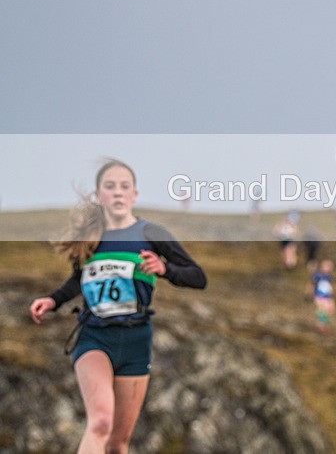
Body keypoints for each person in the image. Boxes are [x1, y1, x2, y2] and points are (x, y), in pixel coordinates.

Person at [29, 159, 207, 454]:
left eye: (124, 186)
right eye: (110, 186)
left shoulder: (152, 234)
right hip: (94, 337)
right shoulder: (91, 238)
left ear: (134, 194)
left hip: (136, 341)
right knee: (100, 422)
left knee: (117, 444)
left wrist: (164, 269)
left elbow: (198, 278)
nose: (118, 192)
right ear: (100, 195)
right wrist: (53, 300)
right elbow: (78, 279)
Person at [307, 259, 336, 334]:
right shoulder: (317, 275)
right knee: (321, 310)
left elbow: (331, 285)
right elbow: (312, 284)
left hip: (327, 296)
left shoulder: (329, 276)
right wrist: (310, 293)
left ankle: (325, 324)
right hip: (319, 296)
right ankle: (320, 325)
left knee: (330, 310)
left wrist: (333, 291)